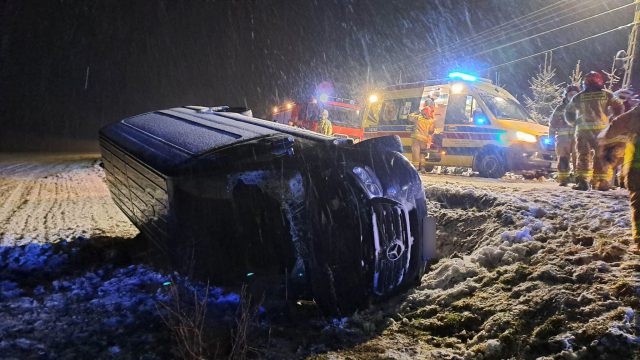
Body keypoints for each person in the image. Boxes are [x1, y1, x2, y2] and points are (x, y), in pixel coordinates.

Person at [564, 71, 624, 191]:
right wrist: (613, 120)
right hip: (602, 132)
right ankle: (601, 182)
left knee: (583, 156)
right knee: (601, 156)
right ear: (600, 82)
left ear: (585, 83)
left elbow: (568, 113)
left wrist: (574, 123)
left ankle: (582, 182)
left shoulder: (578, 96)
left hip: (583, 131)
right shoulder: (607, 95)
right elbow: (619, 107)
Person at [598, 105, 640, 253]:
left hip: (636, 168)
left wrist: (607, 146)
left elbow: (610, 131)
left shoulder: (635, 114)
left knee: (638, 205)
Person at [549, 85, 580, 186]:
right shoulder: (560, 108)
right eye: (570, 94)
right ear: (566, 95)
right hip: (563, 139)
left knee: (579, 159)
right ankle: (563, 179)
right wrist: (551, 137)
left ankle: (580, 180)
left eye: (575, 95)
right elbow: (553, 123)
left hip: (578, 139)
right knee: (563, 159)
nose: (572, 97)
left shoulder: (582, 108)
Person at [408, 96, 437, 170]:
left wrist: (415, 112)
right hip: (424, 139)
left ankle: (416, 167)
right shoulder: (431, 121)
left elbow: (409, 117)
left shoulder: (418, 118)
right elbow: (431, 131)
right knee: (422, 153)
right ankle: (423, 167)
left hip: (416, 137)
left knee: (416, 152)